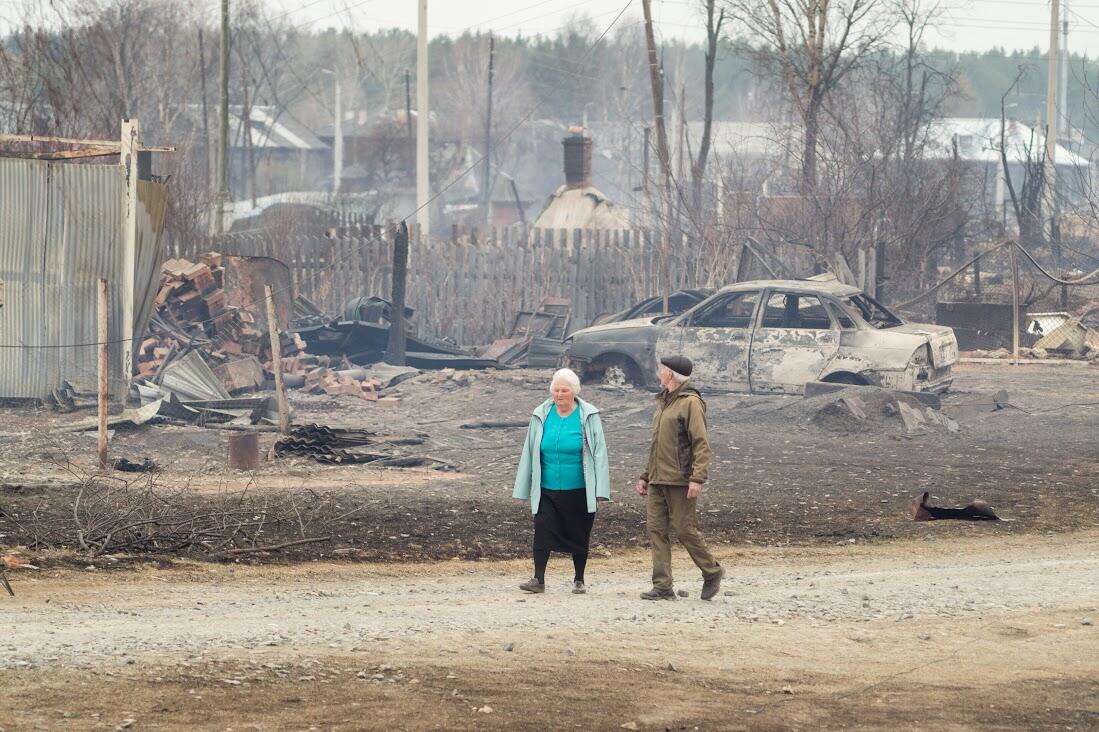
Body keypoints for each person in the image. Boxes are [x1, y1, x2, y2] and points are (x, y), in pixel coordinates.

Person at [513, 368, 611, 594]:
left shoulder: (588, 415)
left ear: (574, 392)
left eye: (564, 390)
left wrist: (600, 489)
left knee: (579, 532)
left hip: (579, 488)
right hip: (546, 488)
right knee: (542, 529)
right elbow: (529, 451)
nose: (559, 394)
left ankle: (579, 579)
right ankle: (538, 579)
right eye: (556, 390)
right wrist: (523, 487)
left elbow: (599, 453)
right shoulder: (541, 414)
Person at [636, 355, 724, 601]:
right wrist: (645, 476)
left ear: (671, 374)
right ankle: (663, 586)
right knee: (656, 530)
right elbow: (658, 445)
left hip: (680, 480)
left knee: (685, 529)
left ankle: (712, 571)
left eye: (663, 369)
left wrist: (697, 478)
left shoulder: (691, 403)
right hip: (657, 479)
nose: (660, 372)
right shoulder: (664, 401)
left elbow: (701, 443)